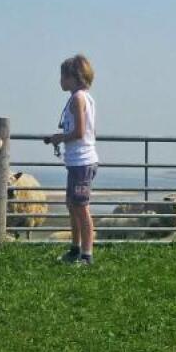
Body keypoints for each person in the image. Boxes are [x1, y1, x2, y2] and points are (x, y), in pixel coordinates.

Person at [45, 54, 99, 264]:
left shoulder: (78, 99)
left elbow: (79, 132)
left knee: (81, 208)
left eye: (63, 76)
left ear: (74, 77)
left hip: (81, 162)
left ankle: (86, 254)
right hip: (77, 161)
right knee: (72, 205)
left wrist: (59, 138)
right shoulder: (83, 97)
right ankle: (75, 249)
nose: (60, 80)